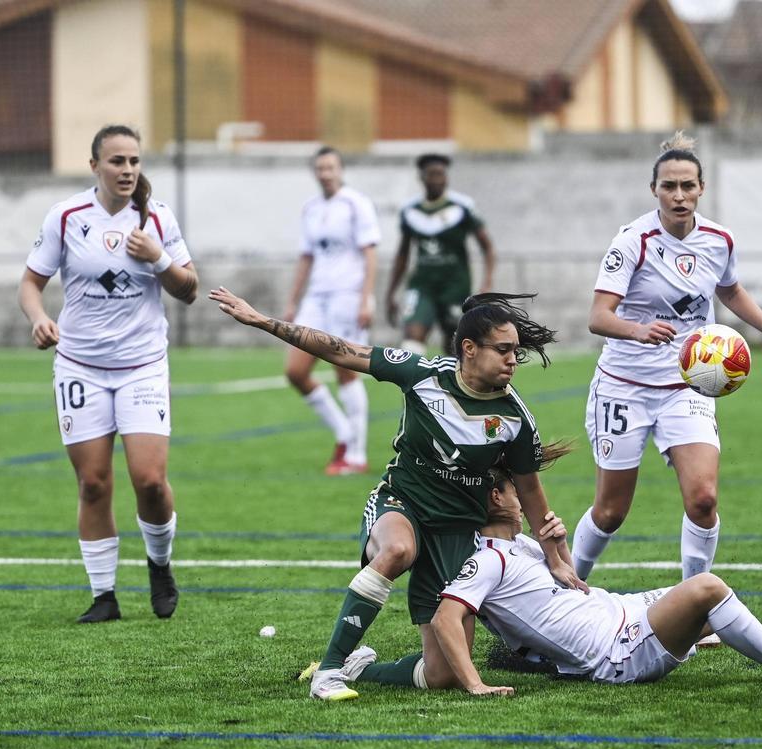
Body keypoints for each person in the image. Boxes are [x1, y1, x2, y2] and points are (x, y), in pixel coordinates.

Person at [209, 287, 584, 700]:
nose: (513, 359)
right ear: (469, 349)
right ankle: (328, 672)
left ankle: (359, 669)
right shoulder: (423, 374)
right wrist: (263, 321)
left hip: (455, 533)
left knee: (442, 675)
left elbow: (530, 492)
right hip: (401, 502)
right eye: (503, 350)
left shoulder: (514, 418)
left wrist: (556, 560)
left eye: (516, 351)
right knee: (398, 550)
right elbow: (341, 350)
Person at [569, 133, 762, 646]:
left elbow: (730, 289)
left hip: (687, 386)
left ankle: (693, 612)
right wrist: (637, 330)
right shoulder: (633, 241)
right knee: (610, 511)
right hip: (625, 386)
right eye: (669, 186)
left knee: (703, 499)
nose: (678, 195)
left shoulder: (719, 240)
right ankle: (564, 592)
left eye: (687, 186)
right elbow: (598, 317)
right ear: (654, 189)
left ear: (702, 188)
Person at [337, 464, 762, 695]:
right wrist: (476, 685)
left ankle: (713, 635)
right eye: (517, 491)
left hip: (623, 613)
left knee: (713, 607)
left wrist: (557, 546)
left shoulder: (521, 546)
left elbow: (568, 588)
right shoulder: (486, 560)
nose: (527, 499)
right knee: (707, 588)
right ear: (495, 499)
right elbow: (448, 617)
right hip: (615, 651)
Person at [16, 124, 199, 623]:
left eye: (134, 161)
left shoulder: (157, 217)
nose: (127, 170)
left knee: (150, 481)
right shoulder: (67, 216)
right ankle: (104, 596)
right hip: (80, 367)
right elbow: (30, 284)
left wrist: (158, 258)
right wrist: (39, 318)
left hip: (142, 367)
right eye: (117, 161)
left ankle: (159, 565)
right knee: (93, 483)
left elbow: (188, 289)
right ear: (95, 165)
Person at [284, 146, 381, 475]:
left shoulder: (356, 204)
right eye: (320, 168)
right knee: (295, 371)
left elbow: (370, 255)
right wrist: (293, 300)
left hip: (347, 296)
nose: (325, 173)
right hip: (316, 298)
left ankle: (356, 454)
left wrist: (366, 299)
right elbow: (306, 256)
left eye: (330, 167)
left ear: (340, 170)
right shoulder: (310, 208)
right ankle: (343, 431)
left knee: (345, 368)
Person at [384, 154, 495, 355]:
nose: (437, 179)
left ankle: (451, 375)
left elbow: (487, 247)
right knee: (412, 337)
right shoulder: (410, 210)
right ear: (422, 177)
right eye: (432, 174)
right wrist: (391, 292)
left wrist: (486, 283)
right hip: (422, 285)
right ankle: (415, 376)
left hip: (455, 286)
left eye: (441, 174)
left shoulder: (462, 206)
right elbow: (403, 253)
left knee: (454, 343)